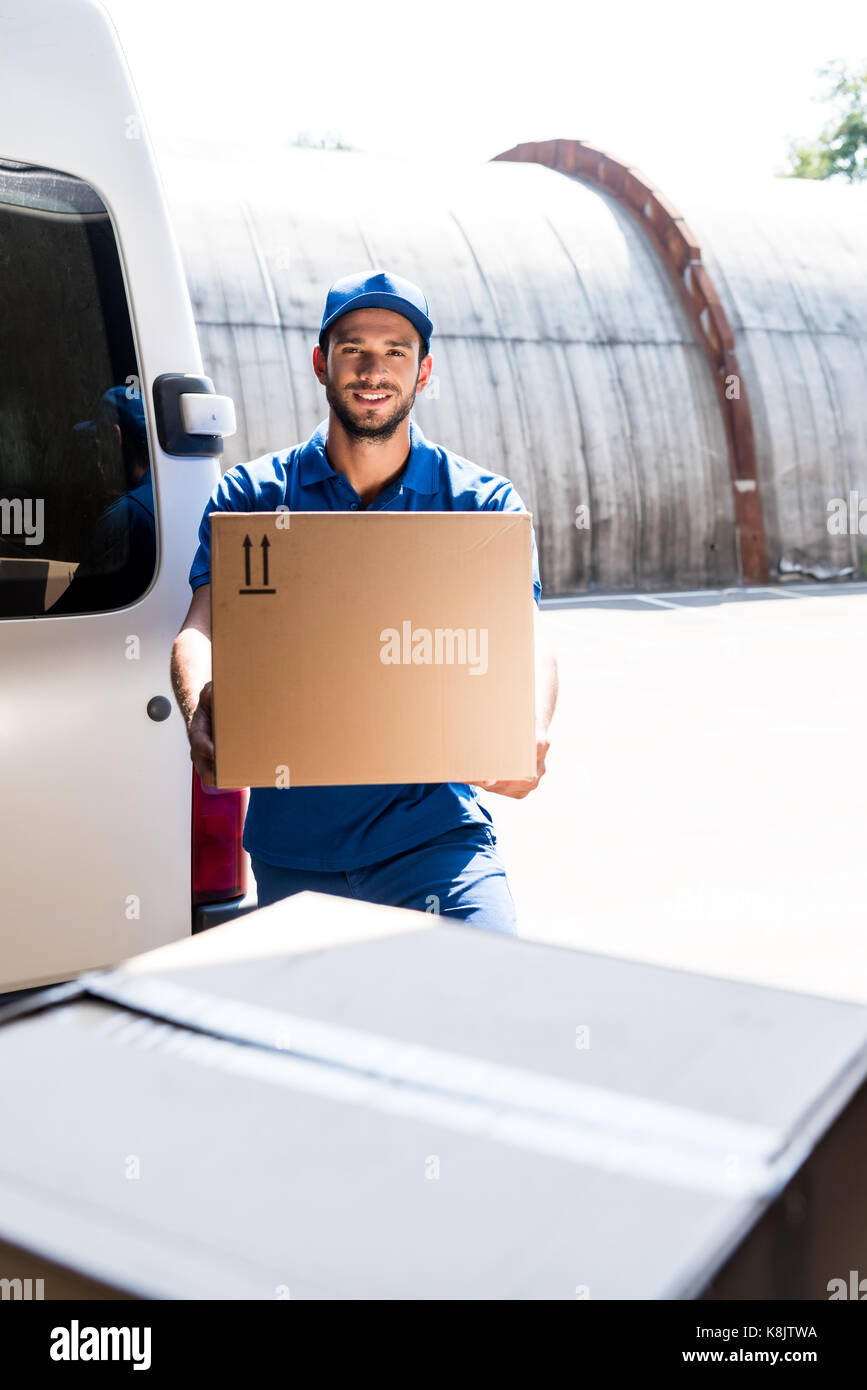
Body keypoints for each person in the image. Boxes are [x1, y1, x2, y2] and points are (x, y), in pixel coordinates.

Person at [171, 270, 558, 933]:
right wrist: (195, 707)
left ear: (424, 370)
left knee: (485, 1000)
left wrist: (529, 724)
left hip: (434, 843)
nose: (373, 370)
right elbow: (199, 628)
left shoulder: (478, 504)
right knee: (309, 1033)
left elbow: (525, 633)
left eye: (395, 351)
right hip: (294, 855)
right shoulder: (253, 495)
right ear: (322, 363)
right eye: (353, 349)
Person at [47, 387, 155, 614]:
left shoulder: (126, 515)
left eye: (98, 441)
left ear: (115, 438)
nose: (97, 458)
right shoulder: (172, 500)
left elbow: (69, 614)